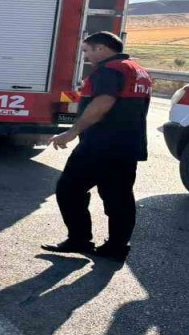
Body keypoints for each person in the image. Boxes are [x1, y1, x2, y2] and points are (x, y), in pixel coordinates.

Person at [42, 32, 152, 261]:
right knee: (119, 196)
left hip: (100, 145)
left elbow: (103, 102)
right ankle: (117, 247)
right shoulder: (138, 70)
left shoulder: (109, 70)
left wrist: (72, 132)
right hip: (128, 145)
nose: (86, 56)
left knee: (69, 189)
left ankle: (79, 239)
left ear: (101, 48)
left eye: (87, 50)